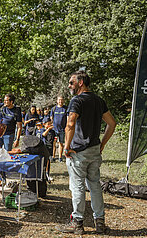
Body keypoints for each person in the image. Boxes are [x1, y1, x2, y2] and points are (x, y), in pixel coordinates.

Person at [57, 71, 116, 235]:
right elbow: (112, 123)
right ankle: (100, 223)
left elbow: (70, 123)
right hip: (94, 150)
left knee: (77, 187)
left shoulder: (77, 100)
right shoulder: (98, 100)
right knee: (95, 186)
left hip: (79, 151)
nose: (69, 85)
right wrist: (102, 144)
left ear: (80, 82)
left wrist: (66, 147)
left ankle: (77, 223)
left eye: (71, 82)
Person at [50, 95, 68, 162]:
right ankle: (53, 157)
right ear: (57, 101)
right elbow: (51, 118)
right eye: (59, 100)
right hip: (54, 130)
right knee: (54, 143)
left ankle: (60, 157)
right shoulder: (54, 109)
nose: (60, 101)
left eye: (61, 100)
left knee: (61, 143)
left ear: (63, 101)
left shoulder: (65, 108)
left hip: (62, 129)